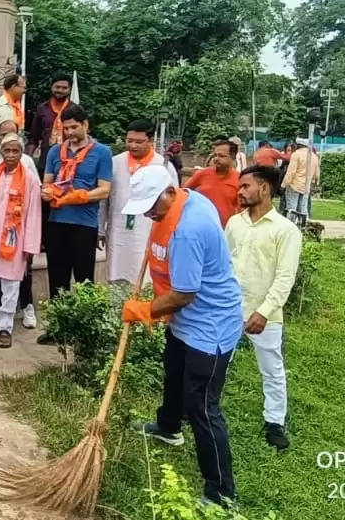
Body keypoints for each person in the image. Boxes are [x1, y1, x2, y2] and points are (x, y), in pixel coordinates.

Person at [122, 166, 242, 508]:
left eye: (151, 206)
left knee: (202, 405)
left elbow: (183, 294)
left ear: (171, 191)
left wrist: (144, 309)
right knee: (173, 374)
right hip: (185, 322)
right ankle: (169, 427)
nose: (148, 214)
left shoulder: (189, 229)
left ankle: (221, 491)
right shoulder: (186, 201)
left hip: (211, 326)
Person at [225, 165, 302, 450]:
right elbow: (224, 264)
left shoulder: (286, 230)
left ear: (265, 188)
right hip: (230, 310)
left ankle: (274, 422)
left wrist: (263, 312)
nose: (240, 191)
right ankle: (202, 410)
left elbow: (285, 278)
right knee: (217, 363)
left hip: (265, 314)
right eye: (239, 186)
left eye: (246, 186)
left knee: (272, 369)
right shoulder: (235, 223)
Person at [0, 133, 41, 348]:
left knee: (11, 285)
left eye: (16, 151)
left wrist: (30, 245)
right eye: (7, 151)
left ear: (22, 154)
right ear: (0, 152)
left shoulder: (29, 179)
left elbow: (34, 214)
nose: (11, 155)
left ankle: (5, 327)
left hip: (15, 240)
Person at [41, 104, 112, 303]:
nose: (70, 132)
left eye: (74, 127)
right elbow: (47, 182)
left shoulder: (102, 152)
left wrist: (79, 196)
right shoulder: (55, 151)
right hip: (56, 221)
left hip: (84, 223)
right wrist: (47, 192)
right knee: (56, 278)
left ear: (85, 125)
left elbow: (105, 189)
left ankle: (82, 329)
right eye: (66, 128)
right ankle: (57, 327)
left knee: (84, 279)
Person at [101, 120, 178, 286]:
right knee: (116, 271)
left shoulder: (163, 166)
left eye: (138, 141)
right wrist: (100, 228)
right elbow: (103, 199)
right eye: (129, 141)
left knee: (145, 278)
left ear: (150, 141)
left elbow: (174, 203)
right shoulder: (115, 163)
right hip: (118, 229)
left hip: (147, 229)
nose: (133, 145)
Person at [26, 74, 79, 177]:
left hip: (70, 160)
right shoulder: (42, 108)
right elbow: (33, 137)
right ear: (52, 87)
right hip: (46, 160)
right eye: (57, 87)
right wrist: (28, 158)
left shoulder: (75, 109)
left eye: (64, 88)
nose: (60, 90)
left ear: (69, 90)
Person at [184, 139, 241, 227]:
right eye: (215, 155)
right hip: (198, 226)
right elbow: (183, 193)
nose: (216, 159)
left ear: (232, 157)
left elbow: (242, 210)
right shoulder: (202, 174)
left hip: (225, 230)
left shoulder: (240, 179)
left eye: (221, 156)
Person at [280, 139, 320, 224]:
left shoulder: (296, 154)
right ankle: (303, 226)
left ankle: (290, 226)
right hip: (306, 187)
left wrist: (283, 185)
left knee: (291, 209)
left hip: (294, 185)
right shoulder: (314, 156)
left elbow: (291, 172)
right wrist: (314, 184)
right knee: (303, 209)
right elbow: (316, 174)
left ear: (299, 145)